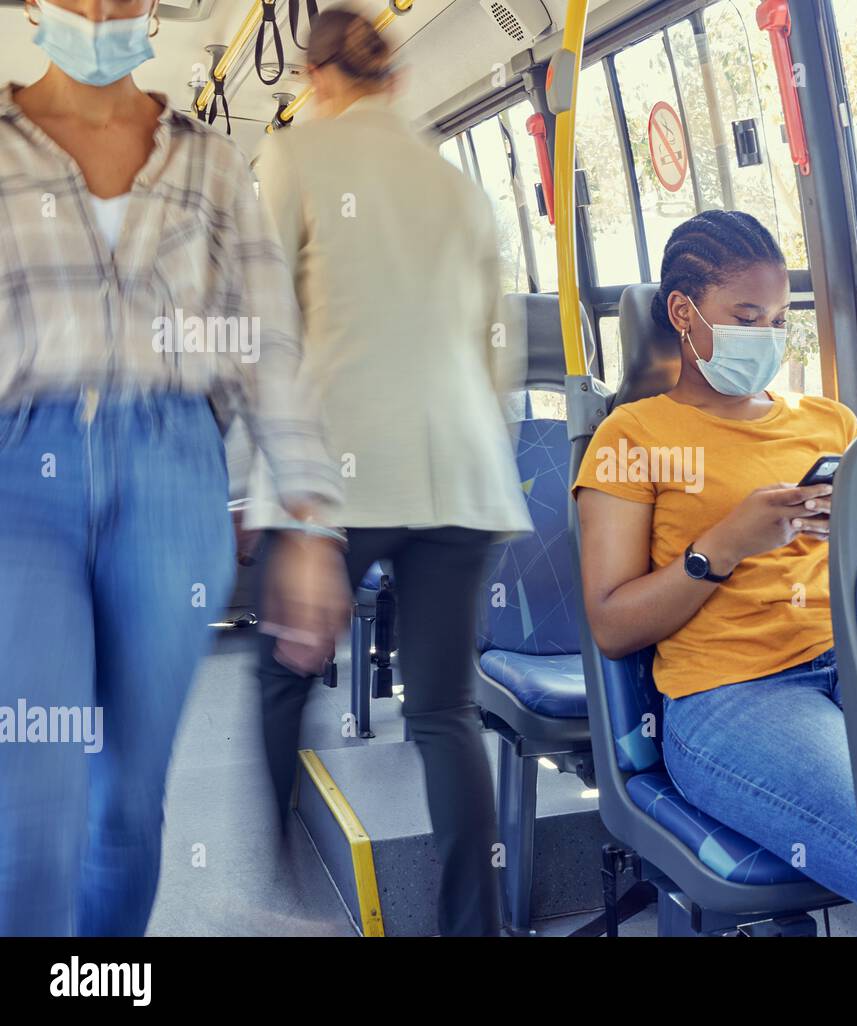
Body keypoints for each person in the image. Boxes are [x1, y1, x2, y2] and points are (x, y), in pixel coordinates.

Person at [0, 0, 350, 936]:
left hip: (172, 471)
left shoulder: (207, 162)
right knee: (30, 805)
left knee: (126, 805)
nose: (104, 11)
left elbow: (271, 341)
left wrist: (308, 522)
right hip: (19, 479)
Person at [246, 8, 532, 938]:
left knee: (285, 670)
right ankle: (474, 928)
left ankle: (282, 890)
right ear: (397, 79)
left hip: (340, 464)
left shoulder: (296, 157)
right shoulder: (460, 187)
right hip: (463, 475)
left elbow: (268, 333)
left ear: (311, 78)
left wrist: (271, 489)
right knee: (445, 713)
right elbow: (499, 351)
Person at [573, 210, 857, 912]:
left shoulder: (831, 423)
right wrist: (723, 547)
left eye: (779, 321)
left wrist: (856, 540)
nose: (767, 339)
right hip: (734, 697)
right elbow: (613, 626)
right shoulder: (634, 434)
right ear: (683, 311)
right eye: (747, 317)